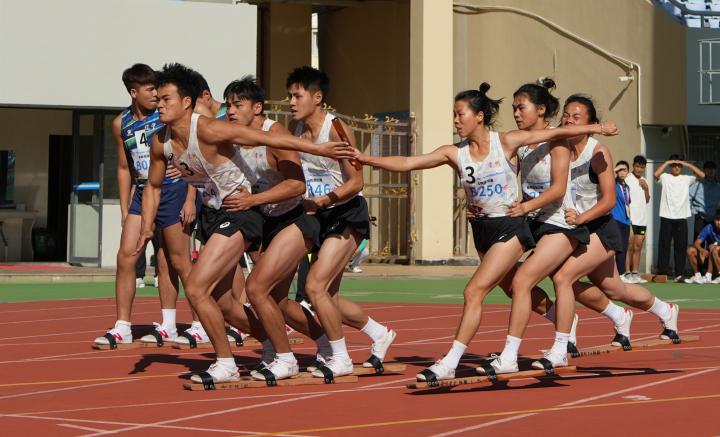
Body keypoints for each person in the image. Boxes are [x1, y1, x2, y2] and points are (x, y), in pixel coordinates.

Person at [352, 82, 617, 382]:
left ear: (479, 116)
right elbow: (410, 162)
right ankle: (561, 320)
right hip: (482, 230)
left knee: (482, 289)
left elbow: (555, 133)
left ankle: (466, 359)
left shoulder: (506, 141)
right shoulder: (455, 153)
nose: (454, 120)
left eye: (459, 114)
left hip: (514, 227)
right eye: (453, 114)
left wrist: (598, 128)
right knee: (511, 286)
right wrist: (366, 159)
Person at [136, 63, 353, 384]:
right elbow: (153, 186)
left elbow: (259, 136)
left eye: (166, 98)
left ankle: (232, 362)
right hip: (216, 214)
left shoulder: (207, 129)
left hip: (241, 212)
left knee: (201, 287)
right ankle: (275, 346)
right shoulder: (160, 141)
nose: (159, 104)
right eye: (157, 99)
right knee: (224, 303)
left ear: (186, 102)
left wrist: (316, 148)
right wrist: (144, 228)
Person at [480, 82, 615, 376]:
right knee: (504, 276)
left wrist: (599, 128)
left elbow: (556, 190)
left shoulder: (558, 143)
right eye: (514, 108)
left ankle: (522, 353)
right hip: (533, 223)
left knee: (527, 280)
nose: (516, 113)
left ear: (541, 110)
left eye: (521, 107)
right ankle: (561, 318)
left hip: (561, 224)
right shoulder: (519, 143)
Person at [219, 76, 335, 380]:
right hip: (267, 223)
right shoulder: (232, 138)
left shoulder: (276, 134)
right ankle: (326, 346)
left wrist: (253, 199)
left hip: (297, 219)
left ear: (257, 108)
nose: (230, 110)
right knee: (279, 303)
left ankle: (285, 358)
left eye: (237, 104)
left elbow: (297, 184)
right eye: (228, 104)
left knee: (256, 288)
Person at [288, 66, 396, 378]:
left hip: (346, 214)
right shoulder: (298, 132)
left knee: (315, 286)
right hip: (317, 219)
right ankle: (379, 334)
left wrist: (324, 199)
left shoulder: (335, 128)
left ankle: (340, 357)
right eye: (290, 95)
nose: (291, 101)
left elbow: (357, 181)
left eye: (298, 95)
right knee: (327, 298)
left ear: (317, 97)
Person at [552, 95, 680, 353]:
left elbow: (609, 200)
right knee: (614, 288)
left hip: (602, 228)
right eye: (566, 115)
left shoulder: (598, 152)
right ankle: (661, 311)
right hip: (580, 229)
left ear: (591, 123)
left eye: (576, 117)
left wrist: (581, 218)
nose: (568, 120)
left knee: (563, 277)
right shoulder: (560, 147)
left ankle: (563, 341)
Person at [93, 63, 198, 348]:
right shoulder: (121, 123)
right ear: (133, 92)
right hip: (142, 193)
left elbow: (192, 153)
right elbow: (124, 167)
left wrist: (191, 196)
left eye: (159, 90)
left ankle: (193, 323)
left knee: (174, 261)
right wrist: (125, 207)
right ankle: (123, 326)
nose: (156, 96)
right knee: (126, 256)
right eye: (150, 90)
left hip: (173, 191)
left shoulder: (166, 116)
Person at [654, 155, 705, 281]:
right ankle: (662, 272)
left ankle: (679, 274)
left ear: (681, 167)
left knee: (681, 246)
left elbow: (702, 175)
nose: (676, 167)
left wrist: (686, 164)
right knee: (664, 245)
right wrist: (667, 162)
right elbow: (656, 174)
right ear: (671, 166)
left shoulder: (686, 178)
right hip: (666, 215)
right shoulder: (665, 177)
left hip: (682, 217)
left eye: (678, 165)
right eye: (674, 165)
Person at [625, 155, 651, 283]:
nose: (639, 169)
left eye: (642, 167)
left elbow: (647, 200)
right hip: (630, 219)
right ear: (633, 165)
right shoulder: (627, 178)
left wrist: (646, 188)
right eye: (637, 166)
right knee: (629, 246)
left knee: (638, 246)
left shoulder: (645, 180)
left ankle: (635, 273)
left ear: (644, 168)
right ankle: (626, 273)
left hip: (642, 220)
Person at [685, 211, 720, 284]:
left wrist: (716, 245)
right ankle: (698, 276)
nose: (719, 222)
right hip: (713, 257)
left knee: (713, 248)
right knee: (690, 250)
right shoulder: (709, 227)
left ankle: (709, 276)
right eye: (717, 220)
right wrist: (702, 250)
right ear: (714, 220)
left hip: (716, 253)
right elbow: (697, 242)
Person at [612, 160, 632, 279]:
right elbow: (606, 176)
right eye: (620, 170)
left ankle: (621, 273)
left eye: (624, 170)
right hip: (615, 220)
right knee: (616, 248)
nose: (622, 172)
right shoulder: (612, 183)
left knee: (624, 248)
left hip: (626, 221)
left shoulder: (627, 187)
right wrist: (615, 169)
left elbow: (627, 203)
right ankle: (618, 274)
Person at [690, 161, 720, 239]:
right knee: (699, 243)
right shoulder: (697, 185)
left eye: (713, 169)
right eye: (708, 169)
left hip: (714, 219)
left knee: (712, 243)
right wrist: (693, 210)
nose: (710, 171)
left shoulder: (718, 186)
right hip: (700, 218)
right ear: (704, 171)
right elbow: (688, 198)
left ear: (715, 171)